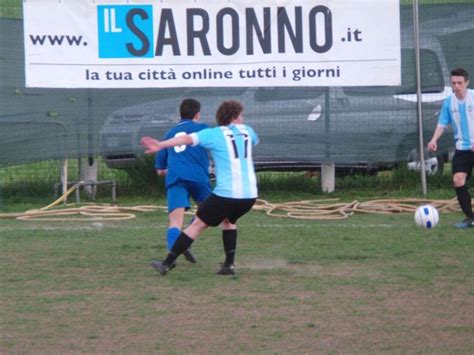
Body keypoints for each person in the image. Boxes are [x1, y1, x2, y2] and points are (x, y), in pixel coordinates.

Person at [141, 100, 259, 275]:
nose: (242, 118)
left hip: (227, 194)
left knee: (196, 225)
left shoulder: (214, 134)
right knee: (229, 222)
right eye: (240, 115)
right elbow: (250, 141)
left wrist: (161, 145)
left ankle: (166, 264)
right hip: (249, 195)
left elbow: (186, 139)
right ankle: (229, 265)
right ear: (235, 117)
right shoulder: (248, 131)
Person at [155, 98, 212, 263]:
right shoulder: (202, 128)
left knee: (175, 222)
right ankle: (186, 240)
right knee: (208, 212)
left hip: (176, 178)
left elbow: (160, 171)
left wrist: (173, 169)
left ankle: (172, 258)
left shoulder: (169, 134)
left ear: (180, 115)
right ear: (197, 115)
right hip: (198, 177)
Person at [428, 67, 474, 228]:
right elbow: (442, 123)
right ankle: (470, 217)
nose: (456, 86)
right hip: (462, 148)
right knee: (457, 180)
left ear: (466, 83)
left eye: (460, 83)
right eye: (454, 83)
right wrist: (434, 139)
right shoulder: (449, 102)